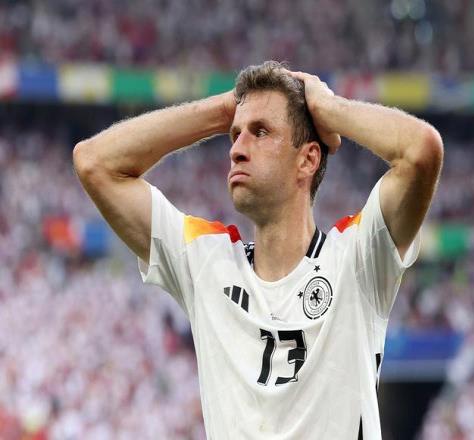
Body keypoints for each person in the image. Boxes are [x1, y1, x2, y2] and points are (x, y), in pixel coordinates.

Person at [73, 61, 443, 439]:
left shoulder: (357, 258)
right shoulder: (207, 262)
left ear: (307, 159)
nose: (236, 150)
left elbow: (420, 151)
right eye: (235, 135)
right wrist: (221, 110)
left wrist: (328, 108)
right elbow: (94, 163)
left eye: (261, 132)